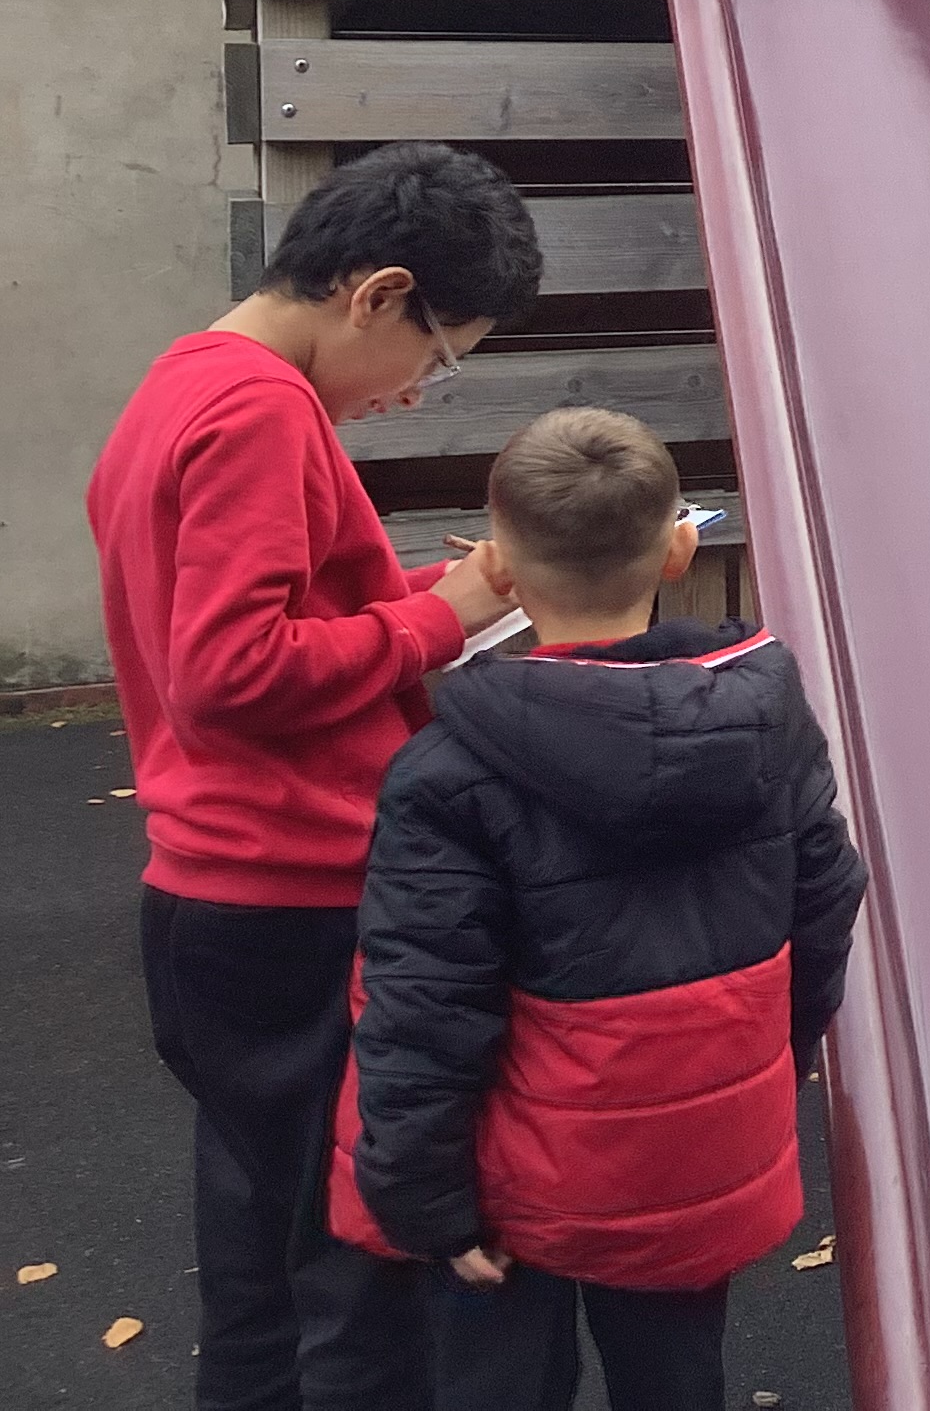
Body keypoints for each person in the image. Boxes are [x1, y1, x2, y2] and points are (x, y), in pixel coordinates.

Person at [86, 138, 543, 1410]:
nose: (416, 393)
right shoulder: (262, 412)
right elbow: (231, 671)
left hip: (216, 889)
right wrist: (439, 621)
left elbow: (255, 616)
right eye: (435, 357)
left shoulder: (187, 379)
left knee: (259, 1251)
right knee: (351, 1265)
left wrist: (444, 590)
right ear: (378, 294)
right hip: (298, 888)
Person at [328, 407, 868, 1411]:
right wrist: (773, 1060)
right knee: (677, 1377)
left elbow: (424, 1001)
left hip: (515, 1171)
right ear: (678, 550)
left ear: (497, 566)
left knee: (498, 1380)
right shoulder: (768, 723)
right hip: (691, 1150)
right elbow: (826, 902)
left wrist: (420, 1196)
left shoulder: (446, 771)